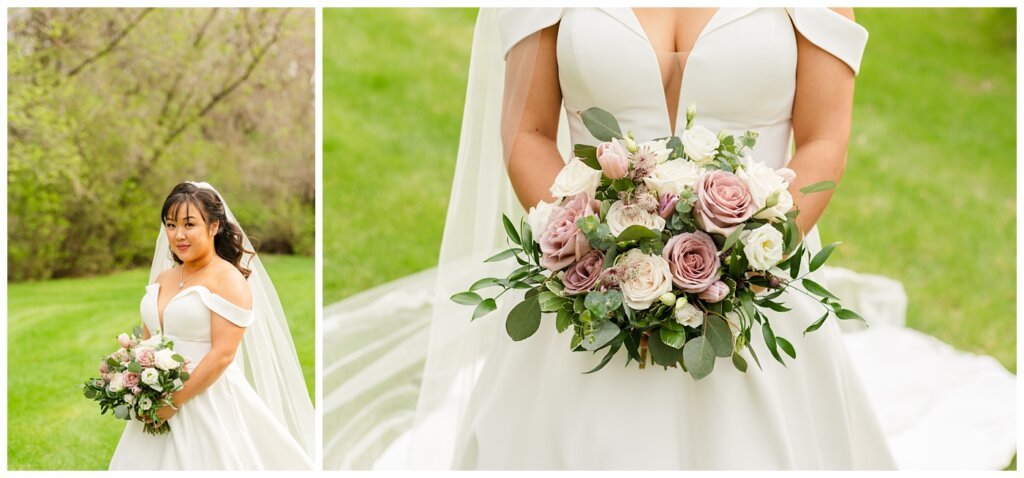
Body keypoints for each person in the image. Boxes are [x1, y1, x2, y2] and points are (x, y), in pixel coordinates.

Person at [323, 8, 1016, 470]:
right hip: (586, 288)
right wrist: (590, 249)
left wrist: (746, 257)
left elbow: (825, 139)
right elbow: (527, 132)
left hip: (754, 292)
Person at [109, 181, 315, 470]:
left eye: (189, 224)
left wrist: (174, 402)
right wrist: (127, 377)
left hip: (207, 401)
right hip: (155, 401)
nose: (178, 234)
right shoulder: (164, 279)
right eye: (170, 225)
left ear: (214, 226)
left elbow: (222, 355)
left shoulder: (227, 280)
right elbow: (148, 342)